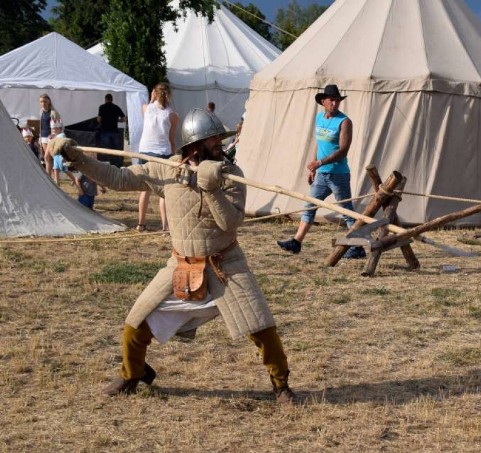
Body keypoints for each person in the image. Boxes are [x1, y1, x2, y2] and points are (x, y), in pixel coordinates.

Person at [49, 109, 298, 407]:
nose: (220, 142)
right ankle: (133, 374)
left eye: (220, 137)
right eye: (213, 139)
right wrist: (78, 158)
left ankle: (281, 386)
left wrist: (211, 187)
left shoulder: (230, 175)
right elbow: (116, 177)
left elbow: (229, 223)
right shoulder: (166, 172)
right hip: (181, 265)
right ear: (195, 145)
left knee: (262, 329)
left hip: (225, 265)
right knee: (135, 326)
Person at [277, 84, 365, 259]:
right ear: (323, 101)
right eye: (331, 100)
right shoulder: (319, 118)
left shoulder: (344, 122)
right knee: (309, 207)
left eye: (337, 100)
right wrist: (314, 166)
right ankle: (296, 242)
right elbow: (319, 142)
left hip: (338, 174)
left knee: (346, 210)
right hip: (322, 173)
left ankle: (358, 246)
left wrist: (320, 162)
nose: (334, 103)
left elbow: (343, 150)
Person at [137, 83, 179, 232]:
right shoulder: (173, 116)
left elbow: (148, 108)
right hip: (162, 153)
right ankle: (165, 226)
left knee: (145, 189)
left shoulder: (145, 108)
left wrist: (151, 99)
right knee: (164, 191)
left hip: (145, 151)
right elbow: (172, 140)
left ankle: (141, 224)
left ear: (154, 93)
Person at [49, 121, 85, 195]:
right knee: (56, 175)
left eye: (55, 128)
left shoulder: (62, 135)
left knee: (68, 173)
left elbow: (62, 144)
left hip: (61, 157)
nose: (54, 130)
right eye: (53, 129)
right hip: (56, 157)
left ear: (59, 128)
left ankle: (80, 190)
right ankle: (57, 192)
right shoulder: (54, 136)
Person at [97, 93, 126, 167]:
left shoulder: (102, 107)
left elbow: (99, 119)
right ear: (112, 99)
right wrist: (117, 120)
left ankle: (106, 165)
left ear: (105, 99)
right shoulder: (116, 107)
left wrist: (100, 120)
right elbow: (124, 119)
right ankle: (117, 165)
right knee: (116, 149)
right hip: (114, 131)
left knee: (105, 150)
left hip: (104, 131)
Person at [37, 94, 61, 178]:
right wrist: (40, 137)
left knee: (50, 157)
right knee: (47, 158)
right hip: (43, 137)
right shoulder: (41, 112)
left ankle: (57, 177)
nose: (43, 103)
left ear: (49, 101)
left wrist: (56, 136)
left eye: (44, 101)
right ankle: (49, 178)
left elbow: (59, 126)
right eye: (41, 101)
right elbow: (41, 125)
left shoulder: (53, 112)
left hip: (51, 137)